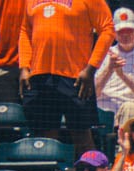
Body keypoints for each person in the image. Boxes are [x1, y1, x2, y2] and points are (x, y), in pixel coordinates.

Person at [18, 0, 114, 155]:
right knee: (45, 140)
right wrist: (24, 66)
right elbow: (25, 30)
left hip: (75, 77)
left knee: (82, 137)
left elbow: (108, 28)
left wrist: (91, 69)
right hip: (39, 76)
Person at [94, 8, 134, 129]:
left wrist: (123, 76)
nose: (125, 34)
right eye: (121, 31)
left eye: (129, 30)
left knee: (129, 107)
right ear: (114, 33)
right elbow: (92, 93)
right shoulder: (102, 53)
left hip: (132, 113)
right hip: (102, 112)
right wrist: (109, 69)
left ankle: (124, 146)